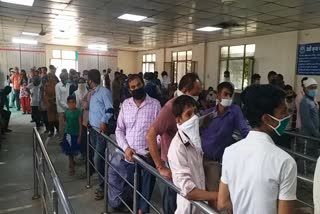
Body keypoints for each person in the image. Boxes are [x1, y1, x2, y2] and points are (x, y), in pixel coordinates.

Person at [218, 84, 297, 214]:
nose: (286, 117)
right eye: (283, 112)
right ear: (266, 119)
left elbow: (222, 203)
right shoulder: (285, 162)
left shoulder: (230, 152)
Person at [146, 73, 202, 214]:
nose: (198, 97)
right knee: (172, 201)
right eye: (195, 94)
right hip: (173, 162)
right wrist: (160, 166)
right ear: (185, 90)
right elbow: (150, 134)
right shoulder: (170, 108)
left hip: (187, 159)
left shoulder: (188, 105)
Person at [113, 74, 160, 213]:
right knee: (133, 188)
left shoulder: (155, 105)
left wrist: (152, 148)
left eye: (139, 85)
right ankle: (136, 208)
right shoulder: (126, 105)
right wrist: (126, 148)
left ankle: (142, 211)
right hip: (130, 157)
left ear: (143, 84)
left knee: (146, 187)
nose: (137, 88)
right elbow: (119, 129)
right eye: (133, 87)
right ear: (129, 90)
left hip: (147, 156)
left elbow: (159, 133)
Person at [168, 95, 218, 214]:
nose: (194, 118)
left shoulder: (193, 139)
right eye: (189, 114)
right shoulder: (177, 148)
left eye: (195, 112)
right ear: (178, 120)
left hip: (200, 206)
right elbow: (189, 191)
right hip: (189, 209)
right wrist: (219, 196)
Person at [200, 82, 249, 192]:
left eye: (230, 95)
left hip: (214, 161)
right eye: (225, 94)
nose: (228, 97)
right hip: (199, 158)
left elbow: (244, 130)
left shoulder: (234, 111)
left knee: (213, 193)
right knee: (198, 192)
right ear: (218, 96)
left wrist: (255, 140)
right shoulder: (208, 114)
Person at [88, 69, 113, 200]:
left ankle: (104, 186)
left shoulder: (104, 92)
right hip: (92, 129)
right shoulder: (92, 93)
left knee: (98, 158)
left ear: (91, 80)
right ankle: (102, 182)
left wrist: (104, 120)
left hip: (101, 131)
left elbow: (110, 109)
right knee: (96, 158)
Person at [60, 96, 82, 175]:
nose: (71, 104)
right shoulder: (66, 112)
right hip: (68, 134)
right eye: (70, 103)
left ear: (75, 103)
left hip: (75, 134)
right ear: (67, 104)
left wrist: (80, 136)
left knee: (73, 151)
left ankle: (72, 163)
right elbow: (65, 122)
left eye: (73, 102)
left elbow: (80, 125)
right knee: (69, 152)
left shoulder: (78, 112)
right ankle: (71, 167)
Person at [56, 72, 70, 141]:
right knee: (62, 124)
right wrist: (67, 106)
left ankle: (66, 138)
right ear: (62, 78)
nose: (67, 78)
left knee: (67, 124)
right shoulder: (58, 86)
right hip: (61, 109)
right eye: (66, 77)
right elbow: (59, 99)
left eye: (67, 77)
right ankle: (61, 138)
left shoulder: (68, 85)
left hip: (68, 107)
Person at [45, 72, 59, 137]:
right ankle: (51, 131)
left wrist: (55, 99)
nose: (50, 78)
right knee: (50, 119)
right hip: (50, 104)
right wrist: (50, 100)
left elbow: (59, 94)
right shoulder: (46, 85)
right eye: (49, 77)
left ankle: (58, 130)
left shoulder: (57, 85)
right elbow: (45, 95)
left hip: (56, 104)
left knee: (57, 118)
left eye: (51, 76)